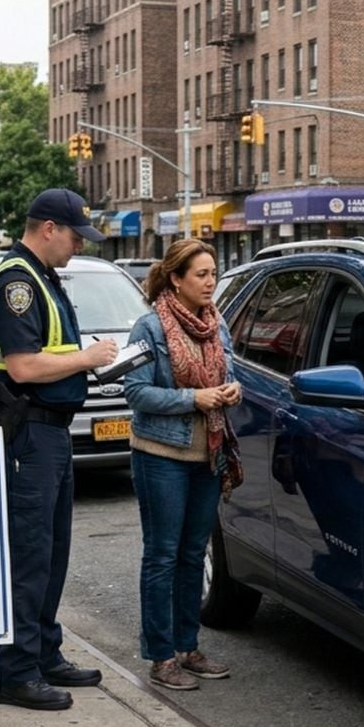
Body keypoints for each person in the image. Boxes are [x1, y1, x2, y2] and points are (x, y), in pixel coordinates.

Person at [0, 188, 118, 711]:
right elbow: (23, 366)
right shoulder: (17, 282)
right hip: (27, 434)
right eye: (75, 236)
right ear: (48, 229)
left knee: (54, 550)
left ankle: (44, 653)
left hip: (51, 432)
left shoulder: (44, 277)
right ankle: (15, 672)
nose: (79, 246)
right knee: (30, 554)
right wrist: (86, 359)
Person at [124, 239, 243, 691]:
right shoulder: (149, 328)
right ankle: (160, 656)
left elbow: (230, 375)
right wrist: (194, 398)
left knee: (195, 554)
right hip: (161, 455)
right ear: (176, 278)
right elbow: (136, 393)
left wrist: (232, 391)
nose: (210, 282)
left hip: (208, 454)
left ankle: (188, 646)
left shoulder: (217, 323)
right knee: (163, 555)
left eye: (213, 273)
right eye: (201, 274)